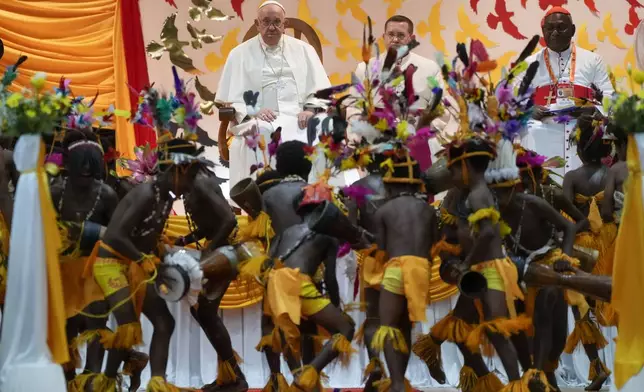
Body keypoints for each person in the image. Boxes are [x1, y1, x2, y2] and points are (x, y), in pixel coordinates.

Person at [83, 138, 205, 391]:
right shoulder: (146, 193)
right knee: (128, 326)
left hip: (137, 264)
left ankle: (157, 383)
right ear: (177, 170)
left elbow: (144, 235)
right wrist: (143, 260)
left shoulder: (167, 196)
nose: (192, 184)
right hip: (110, 262)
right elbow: (115, 236)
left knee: (164, 323)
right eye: (191, 175)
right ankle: (105, 383)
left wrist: (158, 251)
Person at [216, 0, 331, 191]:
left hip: (299, 115)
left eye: (277, 22)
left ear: (284, 24)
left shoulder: (304, 50)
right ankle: (260, 198)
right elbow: (230, 99)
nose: (271, 27)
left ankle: (321, 194)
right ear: (257, 23)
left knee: (324, 128)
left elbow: (320, 90)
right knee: (258, 132)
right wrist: (254, 111)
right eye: (266, 22)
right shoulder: (239, 54)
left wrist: (310, 110)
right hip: (261, 118)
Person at [520, 6, 614, 179]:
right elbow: (511, 101)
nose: (555, 32)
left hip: (581, 131)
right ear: (543, 31)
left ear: (572, 30)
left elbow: (609, 97)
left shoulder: (592, 60)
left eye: (561, 27)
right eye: (550, 28)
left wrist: (594, 110)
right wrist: (528, 110)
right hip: (543, 131)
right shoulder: (529, 63)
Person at [175, 165, 243, 392]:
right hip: (219, 248)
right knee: (202, 312)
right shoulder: (194, 184)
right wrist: (185, 240)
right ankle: (231, 375)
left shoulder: (201, 183)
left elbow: (228, 220)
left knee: (204, 311)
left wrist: (211, 250)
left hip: (227, 250)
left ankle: (236, 378)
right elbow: (210, 225)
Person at [562, 113, 616, 390]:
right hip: (611, 242)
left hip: (583, 245)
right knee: (612, 300)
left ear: (579, 149)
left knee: (581, 306)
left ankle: (597, 366)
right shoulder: (612, 173)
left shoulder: (571, 177)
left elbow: (566, 218)